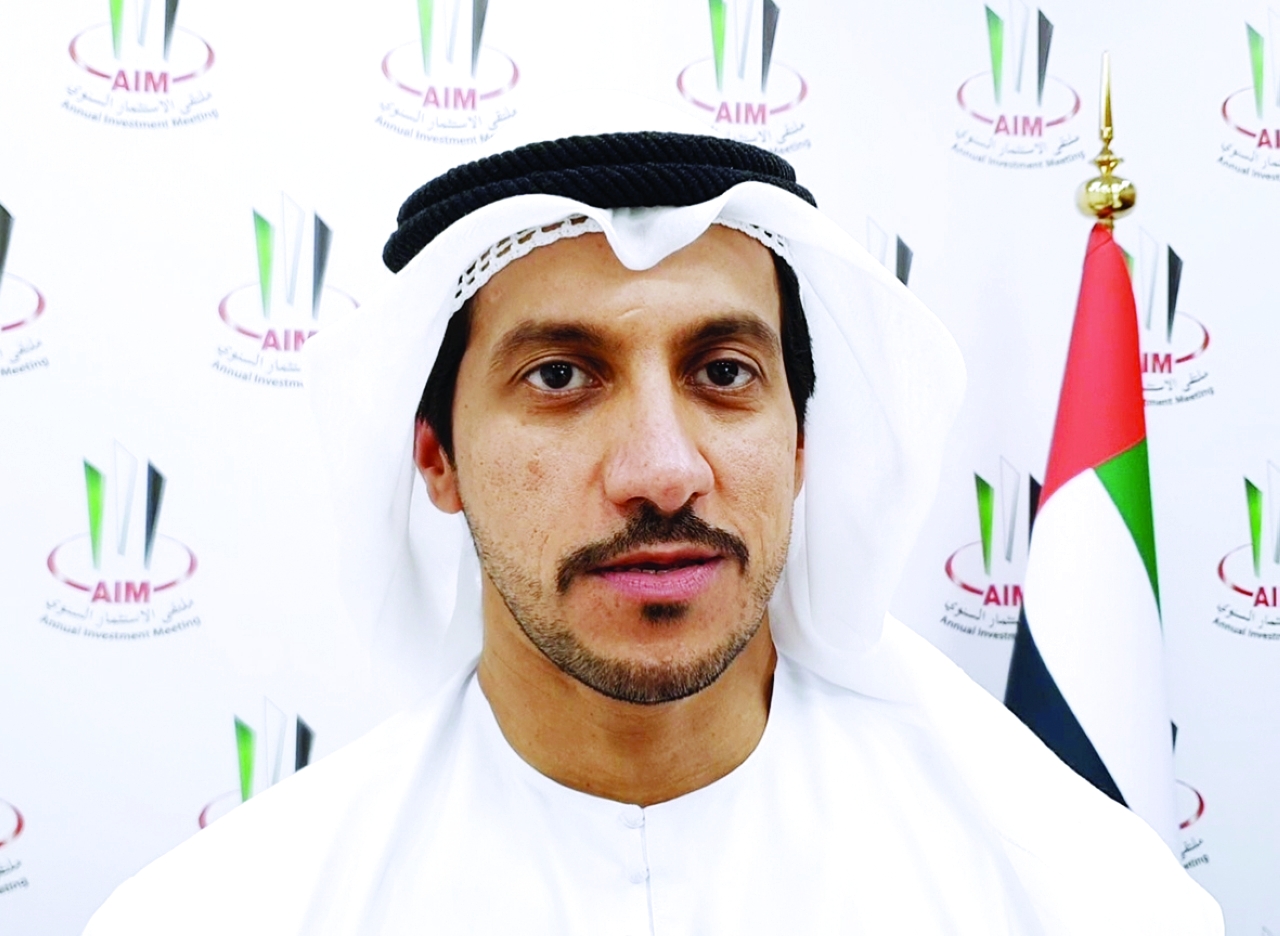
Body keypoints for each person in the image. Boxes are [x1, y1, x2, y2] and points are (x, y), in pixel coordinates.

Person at [85, 130, 1222, 934]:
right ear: (435, 456)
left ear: (801, 444)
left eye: (723, 372)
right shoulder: (233, 911)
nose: (663, 471)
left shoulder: (1071, 896)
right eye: (560, 376)